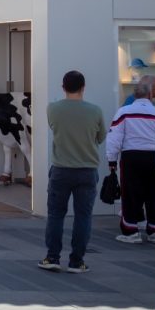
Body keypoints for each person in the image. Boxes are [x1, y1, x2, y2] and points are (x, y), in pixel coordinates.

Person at [39, 70, 106, 274]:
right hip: (87, 170)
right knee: (83, 216)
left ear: (63, 87)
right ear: (83, 87)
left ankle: (52, 257)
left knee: (56, 214)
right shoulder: (95, 111)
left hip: (61, 169)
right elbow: (101, 136)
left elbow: (53, 128)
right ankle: (77, 261)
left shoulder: (53, 109)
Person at [106, 75, 155, 243]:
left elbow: (114, 138)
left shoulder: (124, 112)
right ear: (151, 95)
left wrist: (112, 161)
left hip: (131, 157)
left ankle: (131, 231)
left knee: (131, 193)